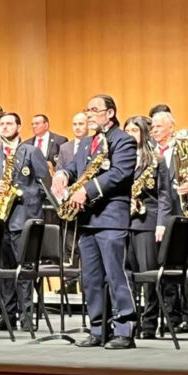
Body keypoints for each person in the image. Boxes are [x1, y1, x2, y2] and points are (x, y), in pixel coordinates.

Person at [52, 94, 137, 349]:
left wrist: (86, 191)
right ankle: (98, 329)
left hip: (111, 218)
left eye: (94, 110)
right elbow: (75, 168)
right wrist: (62, 174)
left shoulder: (124, 140)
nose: (89, 114)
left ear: (110, 113)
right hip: (87, 219)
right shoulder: (87, 142)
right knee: (91, 279)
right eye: (87, 110)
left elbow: (119, 173)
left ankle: (124, 330)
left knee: (116, 276)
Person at [0, 111, 48, 331]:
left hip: (22, 218)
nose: (5, 127)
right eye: (2, 124)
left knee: (23, 269)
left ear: (19, 126)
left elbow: (44, 185)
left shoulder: (31, 151)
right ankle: (7, 316)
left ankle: (26, 316)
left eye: (9, 123)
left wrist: (21, 193)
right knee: (4, 270)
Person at [151, 106, 188, 333]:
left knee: (185, 269)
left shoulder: (184, 151)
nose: (154, 130)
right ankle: (170, 317)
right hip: (157, 218)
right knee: (165, 269)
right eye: (152, 127)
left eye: (159, 126)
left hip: (183, 217)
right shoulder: (148, 152)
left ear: (171, 128)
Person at [123, 115, 165, 340]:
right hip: (124, 221)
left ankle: (149, 323)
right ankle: (130, 321)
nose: (130, 135)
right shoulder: (120, 158)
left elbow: (164, 195)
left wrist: (160, 223)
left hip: (147, 221)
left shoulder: (156, 159)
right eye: (127, 131)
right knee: (127, 275)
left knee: (149, 276)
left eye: (134, 131)